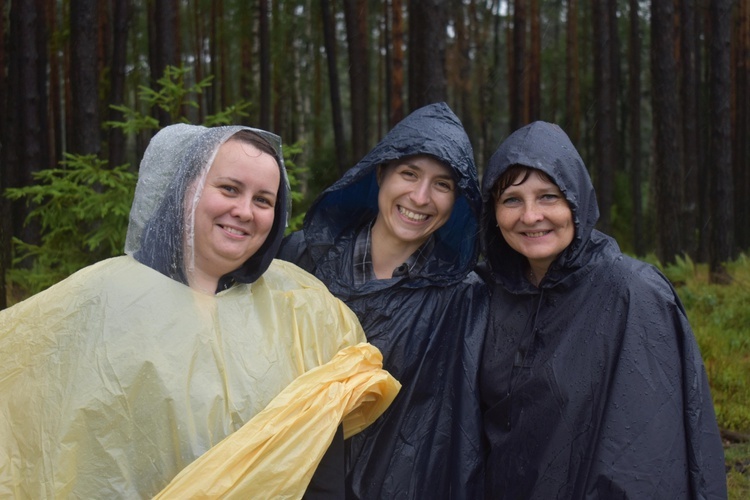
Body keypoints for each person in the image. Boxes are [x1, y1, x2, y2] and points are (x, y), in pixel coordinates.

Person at [0, 124, 399, 498]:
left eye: (263, 200)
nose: (245, 211)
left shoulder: (304, 305)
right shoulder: (101, 297)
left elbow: (318, 458)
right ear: (185, 189)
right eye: (229, 188)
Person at [478, 120, 727, 499]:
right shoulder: (490, 293)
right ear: (493, 213)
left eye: (548, 196)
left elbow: (647, 457)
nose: (530, 216)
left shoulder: (633, 294)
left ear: (576, 200)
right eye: (512, 200)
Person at [279, 102, 488, 499]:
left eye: (442, 184)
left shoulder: (463, 297)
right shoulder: (301, 258)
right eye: (409, 174)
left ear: (456, 200)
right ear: (380, 173)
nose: (421, 197)